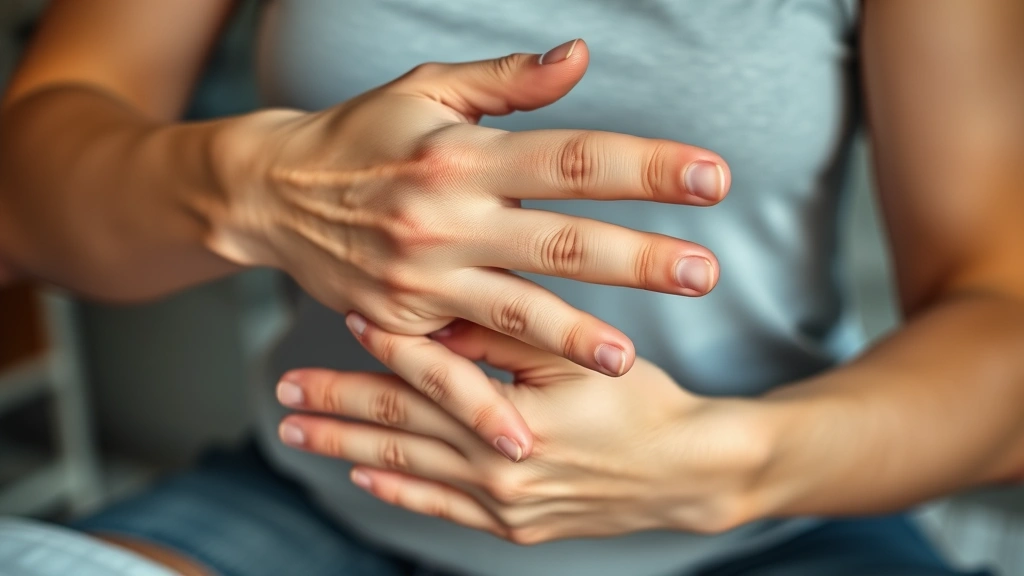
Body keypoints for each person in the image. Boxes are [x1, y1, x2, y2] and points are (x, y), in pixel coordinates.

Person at [1, 1, 1022, 575]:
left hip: (766, 539)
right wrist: (252, 190)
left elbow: (1000, 318)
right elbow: (24, 201)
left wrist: (734, 466)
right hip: (322, 513)